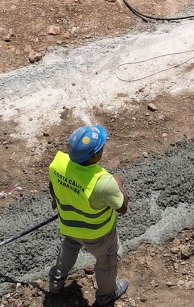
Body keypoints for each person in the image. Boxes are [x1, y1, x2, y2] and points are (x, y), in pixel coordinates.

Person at [47, 124, 130, 304]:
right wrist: (119, 183)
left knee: (69, 246)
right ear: (94, 156)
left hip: (69, 225)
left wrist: (56, 200)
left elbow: (52, 186)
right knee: (107, 261)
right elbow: (122, 208)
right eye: (101, 147)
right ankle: (107, 295)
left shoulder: (58, 163)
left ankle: (55, 281)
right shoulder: (103, 182)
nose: (103, 148)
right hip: (98, 235)